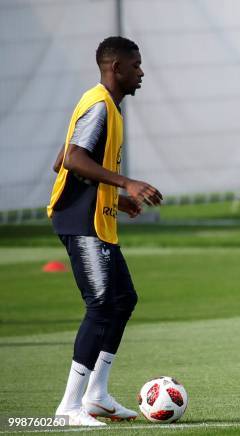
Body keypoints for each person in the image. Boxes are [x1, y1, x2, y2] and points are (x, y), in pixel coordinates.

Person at [48, 36, 162, 426]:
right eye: (136, 65)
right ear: (116, 68)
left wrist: (116, 196)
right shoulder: (99, 106)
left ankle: (97, 396)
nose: (141, 72)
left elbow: (62, 158)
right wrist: (125, 183)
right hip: (79, 221)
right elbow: (74, 160)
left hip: (95, 218)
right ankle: (68, 407)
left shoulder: (108, 108)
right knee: (100, 305)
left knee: (123, 298)